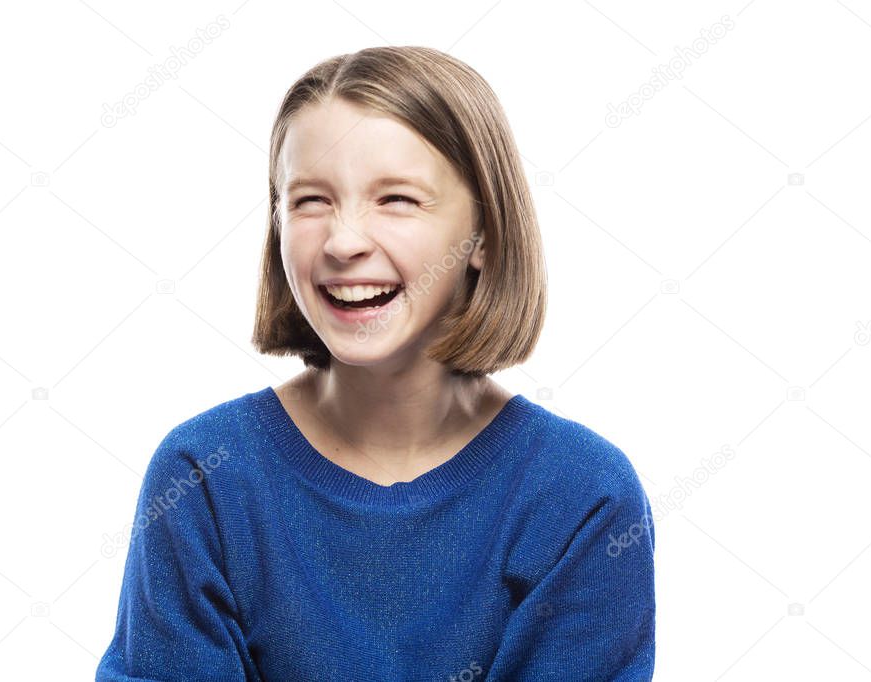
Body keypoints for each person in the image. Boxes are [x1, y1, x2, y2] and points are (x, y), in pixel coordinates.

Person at [95, 45, 655, 681]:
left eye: (396, 200)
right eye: (310, 200)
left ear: (485, 238)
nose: (343, 241)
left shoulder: (582, 494)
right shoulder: (204, 478)